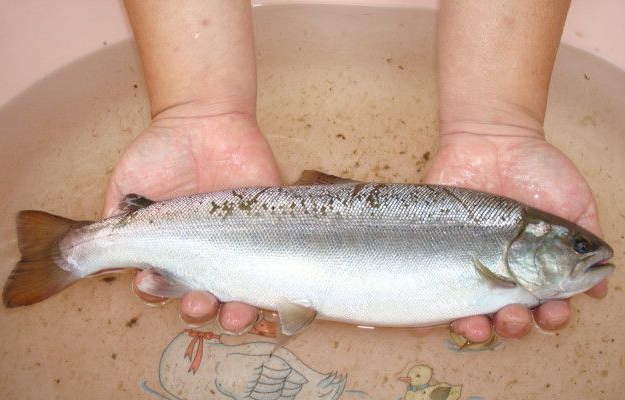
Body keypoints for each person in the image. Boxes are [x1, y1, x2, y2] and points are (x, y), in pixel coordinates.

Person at [104, 0, 607, 342]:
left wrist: (503, 123)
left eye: (578, 246)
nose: (593, 253)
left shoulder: (502, 228)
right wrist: (194, 110)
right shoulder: (501, 226)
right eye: (579, 247)